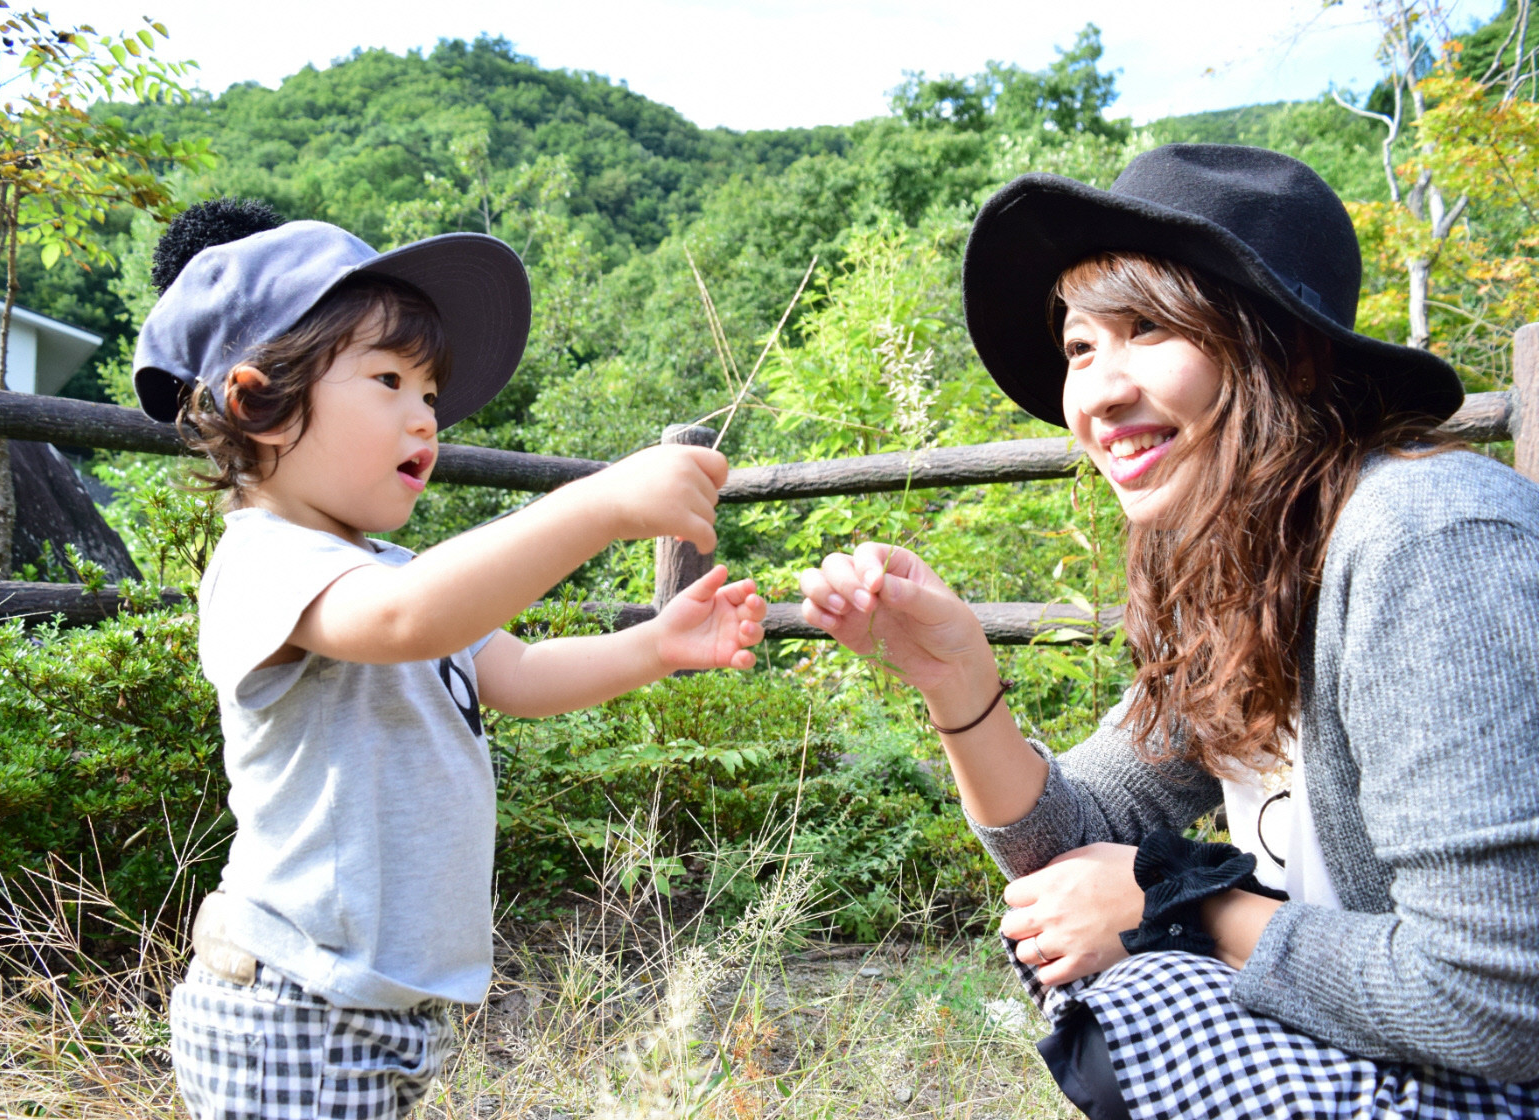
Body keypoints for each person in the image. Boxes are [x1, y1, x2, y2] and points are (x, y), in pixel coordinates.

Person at [797, 146, 1539, 1118]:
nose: (1098, 392)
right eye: (1080, 347)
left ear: (1295, 350)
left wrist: (1176, 899)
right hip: (1394, 1054)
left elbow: (1501, 1003)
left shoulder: (1425, 536)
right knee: (1083, 956)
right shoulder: (1244, 571)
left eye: (1147, 328)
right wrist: (956, 678)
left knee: (1142, 986)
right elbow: (1068, 845)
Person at [132, 199, 767, 1120]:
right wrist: (601, 505)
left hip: (377, 1006)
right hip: (293, 1003)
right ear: (257, 404)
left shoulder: (385, 568)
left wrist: (656, 647)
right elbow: (404, 623)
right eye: (387, 379)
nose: (424, 417)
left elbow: (510, 673)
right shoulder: (264, 560)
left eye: (430, 393)